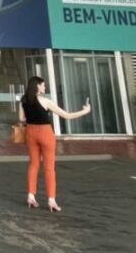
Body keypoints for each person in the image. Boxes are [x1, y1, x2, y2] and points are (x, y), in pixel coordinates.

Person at [19, 76, 91, 212]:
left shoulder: (24, 100)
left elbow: (21, 118)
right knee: (49, 167)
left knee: (33, 164)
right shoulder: (45, 101)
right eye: (43, 85)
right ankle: (51, 200)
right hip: (45, 133)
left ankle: (30, 196)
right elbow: (67, 116)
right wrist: (85, 111)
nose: (45, 87)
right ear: (37, 86)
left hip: (30, 133)